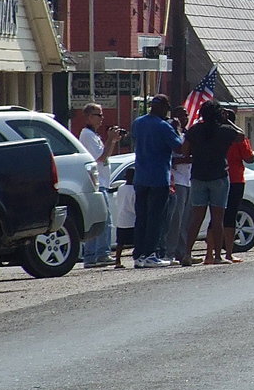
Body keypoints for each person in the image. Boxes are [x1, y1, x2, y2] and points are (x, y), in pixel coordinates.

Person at [183, 100, 244, 266]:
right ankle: (217, 256)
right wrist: (227, 120)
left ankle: (187, 254)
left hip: (198, 176)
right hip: (218, 176)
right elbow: (241, 136)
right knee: (218, 218)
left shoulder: (195, 130)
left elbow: (183, 150)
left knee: (196, 217)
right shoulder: (225, 130)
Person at [130, 95, 183, 268]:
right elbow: (179, 147)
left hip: (141, 177)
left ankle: (139, 255)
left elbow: (134, 139)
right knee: (156, 218)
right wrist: (177, 129)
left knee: (141, 217)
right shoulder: (163, 126)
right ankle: (151, 254)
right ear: (163, 107)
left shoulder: (138, 122)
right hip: (159, 177)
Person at [78, 102, 122, 267]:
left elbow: (105, 157)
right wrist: (110, 139)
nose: (102, 118)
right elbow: (100, 159)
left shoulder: (93, 135)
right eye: (99, 115)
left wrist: (113, 141)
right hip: (98, 184)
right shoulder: (87, 135)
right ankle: (100, 254)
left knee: (99, 220)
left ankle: (92, 255)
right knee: (105, 220)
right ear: (89, 117)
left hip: (102, 182)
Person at [221, 108, 254, 263]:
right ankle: (228, 253)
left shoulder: (213, 134)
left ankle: (211, 253)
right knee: (230, 215)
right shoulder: (238, 138)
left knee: (216, 215)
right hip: (235, 179)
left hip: (218, 178)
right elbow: (249, 158)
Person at [164, 107, 194, 267]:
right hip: (177, 181)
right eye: (180, 116)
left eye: (186, 115)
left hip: (189, 180)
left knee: (187, 220)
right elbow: (172, 159)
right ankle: (170, 252)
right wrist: (189, 159)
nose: (184, 118)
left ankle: (184, 252)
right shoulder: (172, 137)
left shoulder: (186, 135)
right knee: (176, 220)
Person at [112, 167, 135, 268]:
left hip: (121, 219)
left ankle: (117, 261)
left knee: (120, 243)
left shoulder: (121, 187)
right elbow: (134, 206)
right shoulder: (134, 190)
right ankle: (137, 258)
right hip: (132, 220)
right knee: (137, 241)